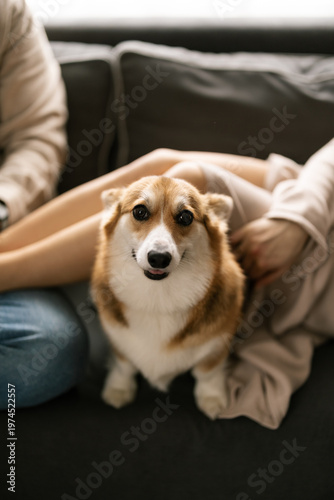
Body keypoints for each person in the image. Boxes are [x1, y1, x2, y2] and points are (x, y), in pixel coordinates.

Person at [2, 136, 334, 428]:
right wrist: (298, 219)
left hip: (321, 272)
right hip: (315, 198)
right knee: (165, 172)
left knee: (182, 177)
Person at [0, 0, 88, 409]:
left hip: (5, 230)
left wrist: (3, 204)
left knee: (47, 350)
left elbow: (38, 137)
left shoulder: (7, 13)